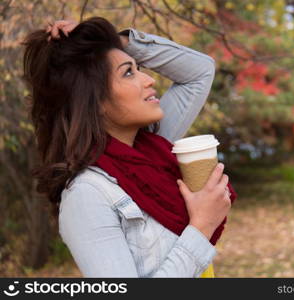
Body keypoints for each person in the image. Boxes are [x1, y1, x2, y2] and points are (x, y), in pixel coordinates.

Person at [21, 16, 237, 278]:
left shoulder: (152, 149)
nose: (149, 80)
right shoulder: (86, 195)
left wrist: (115, 41)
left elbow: (200, 70)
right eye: (128, 72)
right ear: (95, 100)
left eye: (138, 68)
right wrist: (201, 227)